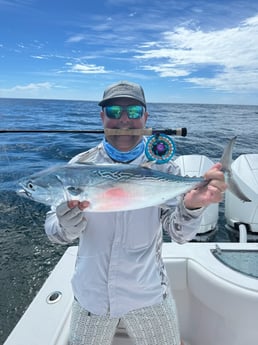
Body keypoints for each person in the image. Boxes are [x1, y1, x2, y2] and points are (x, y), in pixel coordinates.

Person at [45, 81, 227, 345]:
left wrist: (193, 205)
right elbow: (54, 233)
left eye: (133, 113)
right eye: (113, 111)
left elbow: (179, 234)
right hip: (90, 298)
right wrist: (66, 225)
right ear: (101, 117)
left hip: (148, 295)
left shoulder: (165, 170)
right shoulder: (78, 168)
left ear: (145, 117)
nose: (123, 121)